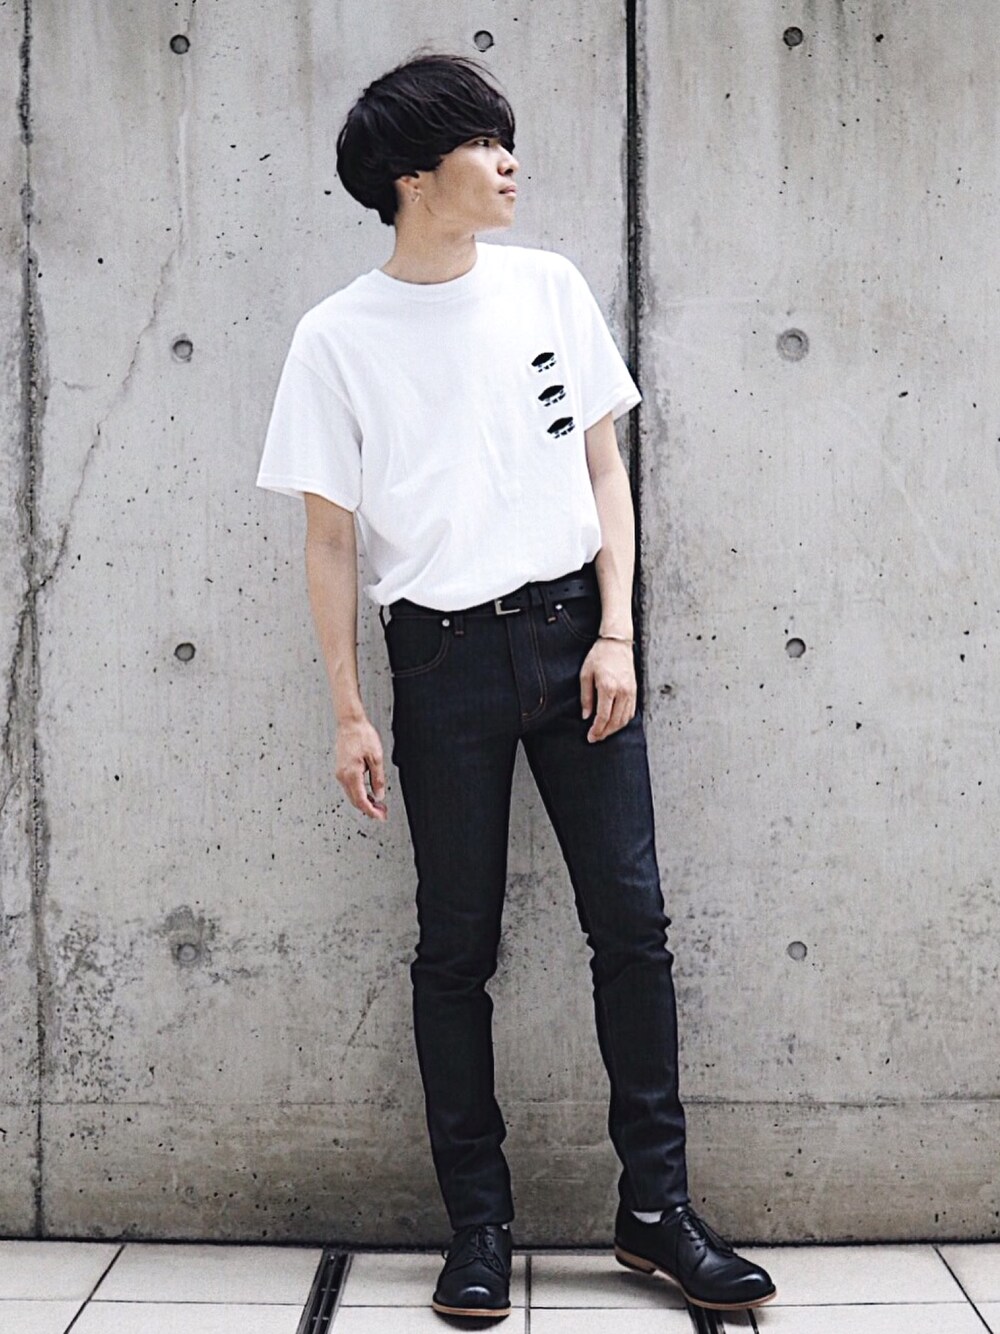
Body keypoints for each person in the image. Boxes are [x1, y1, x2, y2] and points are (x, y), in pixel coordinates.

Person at [256, 51, 776, 1320]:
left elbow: (603, 470)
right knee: (455, 947)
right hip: (438, 661)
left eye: (506, 137)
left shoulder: (547, 286)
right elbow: (329, 540)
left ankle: (656, 1212)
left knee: (631, 926)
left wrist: (617, 631)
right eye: (482, 143)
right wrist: (347, 708)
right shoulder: (335, 337)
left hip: (572, 639)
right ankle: (477, 1227)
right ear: (409, 176)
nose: (508, 161)